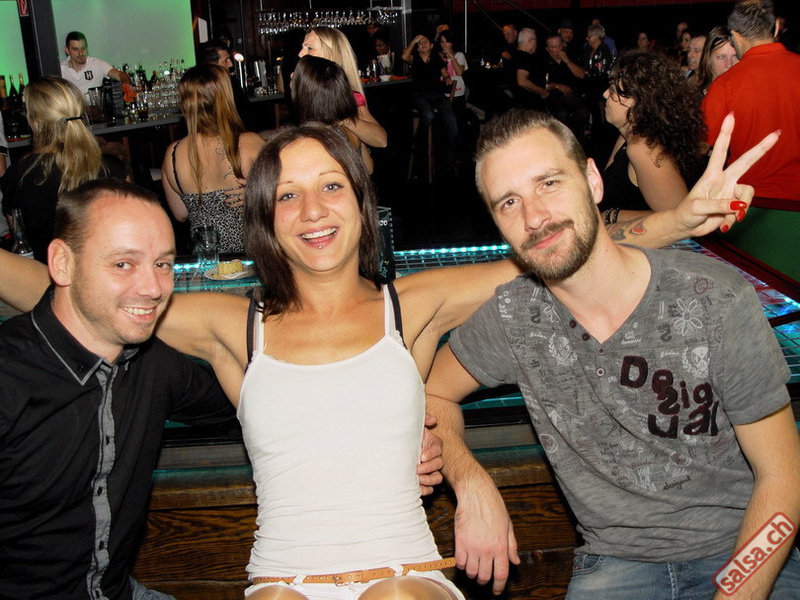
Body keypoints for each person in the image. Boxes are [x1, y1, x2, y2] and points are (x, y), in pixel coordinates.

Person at [423, 109, 800, 599]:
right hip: (615, 564)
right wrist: (471, 485)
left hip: (741, 549)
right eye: (509, 202)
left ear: (593, 181)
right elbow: (433, 394)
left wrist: (736, 590)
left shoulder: (713, 297)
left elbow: (784, 478)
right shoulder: (513, 316)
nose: (534, 217)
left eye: (549, 183)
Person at [0, 179, 237, 600]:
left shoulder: (152, 363)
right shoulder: (10, 377)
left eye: (162, 264)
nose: (153, 288)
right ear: (62, 263)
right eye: (123, 264)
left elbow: (244, 407)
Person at [1, 76, 127, 262]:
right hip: (104, 271)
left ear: (34, 121)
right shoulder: (112, 168)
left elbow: (21, 238)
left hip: (44, 274)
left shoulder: (18, 174)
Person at [161, 64, 265, 254]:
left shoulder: (173, 154)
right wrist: (256, 197)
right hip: (251, 257)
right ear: (226, 97)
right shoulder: (251, 143)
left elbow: (180, 214)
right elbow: (284, 199)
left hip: (206, 260)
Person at [702, 0, 800, 200]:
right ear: (776, 28)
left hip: (748, 199)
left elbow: (699, 145)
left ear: (735, 35)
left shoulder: (725, 84)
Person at [600, 50, 705, 220]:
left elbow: (681, 218)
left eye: (613, 91)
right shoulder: (626, 136)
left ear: (635, 102)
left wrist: (612, 216)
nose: (605, 94)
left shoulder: (643, 149)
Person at [298, 27, 388, 152]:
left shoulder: (348, 96)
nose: (300, 53)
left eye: (309, 48)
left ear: (331, 53)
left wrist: (344, 119)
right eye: (303, 47)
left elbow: (381, 140)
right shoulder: (305, 89)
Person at [291, 55, 374, 173]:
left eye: (296, 76)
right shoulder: (345, 123)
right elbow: (369, 167)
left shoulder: (317, 137)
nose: (292, 77)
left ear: (307, 92)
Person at [402, 33, 460, 172]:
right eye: (420, 43)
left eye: (425, 42)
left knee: (451, 118)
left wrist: (447, 78)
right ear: (417, 48)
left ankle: (453, 156)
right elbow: (404, 56)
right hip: (419, 95)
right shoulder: (414, 58)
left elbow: (444, 73)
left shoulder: (436, 58)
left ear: (432, 45)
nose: (423, 44)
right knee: (428, 115)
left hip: (437, 94)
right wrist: (413, 40)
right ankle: (418, 141)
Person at [199, 39, 258, 130]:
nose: (230, 64)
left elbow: (246, 116)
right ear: (212, 65)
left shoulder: (233, 83)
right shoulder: (201, 88)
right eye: (226, 60)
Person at [543, 33, 589, 143]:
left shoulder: (570, 56)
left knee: (583, 113)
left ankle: (575, 140)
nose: (558, 49)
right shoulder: (543, 62)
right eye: (554, 47)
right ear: (548, 49)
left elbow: (581, 75)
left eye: (560, 46)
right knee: (562, 114)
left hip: (572, 95)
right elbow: (542, 83)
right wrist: (558, 86)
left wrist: (567, 61)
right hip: (554, 97)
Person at [59, 31, 131, 98]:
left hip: (96, 106)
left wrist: (126, 84)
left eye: (83, 48)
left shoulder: (96, 64)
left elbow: (121, 75)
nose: (80, 53)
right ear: (67, 50)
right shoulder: (60, 69)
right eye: (75, 49)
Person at [696, 27, 739, 95]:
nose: (729, 64)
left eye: (735, 56)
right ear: (708, 59)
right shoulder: (694, 99)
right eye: (721, 57)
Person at [514, 28, 549, 111]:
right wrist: (542, 91)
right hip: (529, 106)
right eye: (535, 40)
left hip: (519, 105)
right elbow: (522, 81)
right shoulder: (524, 57)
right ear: (531, 41)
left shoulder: (514, 56)